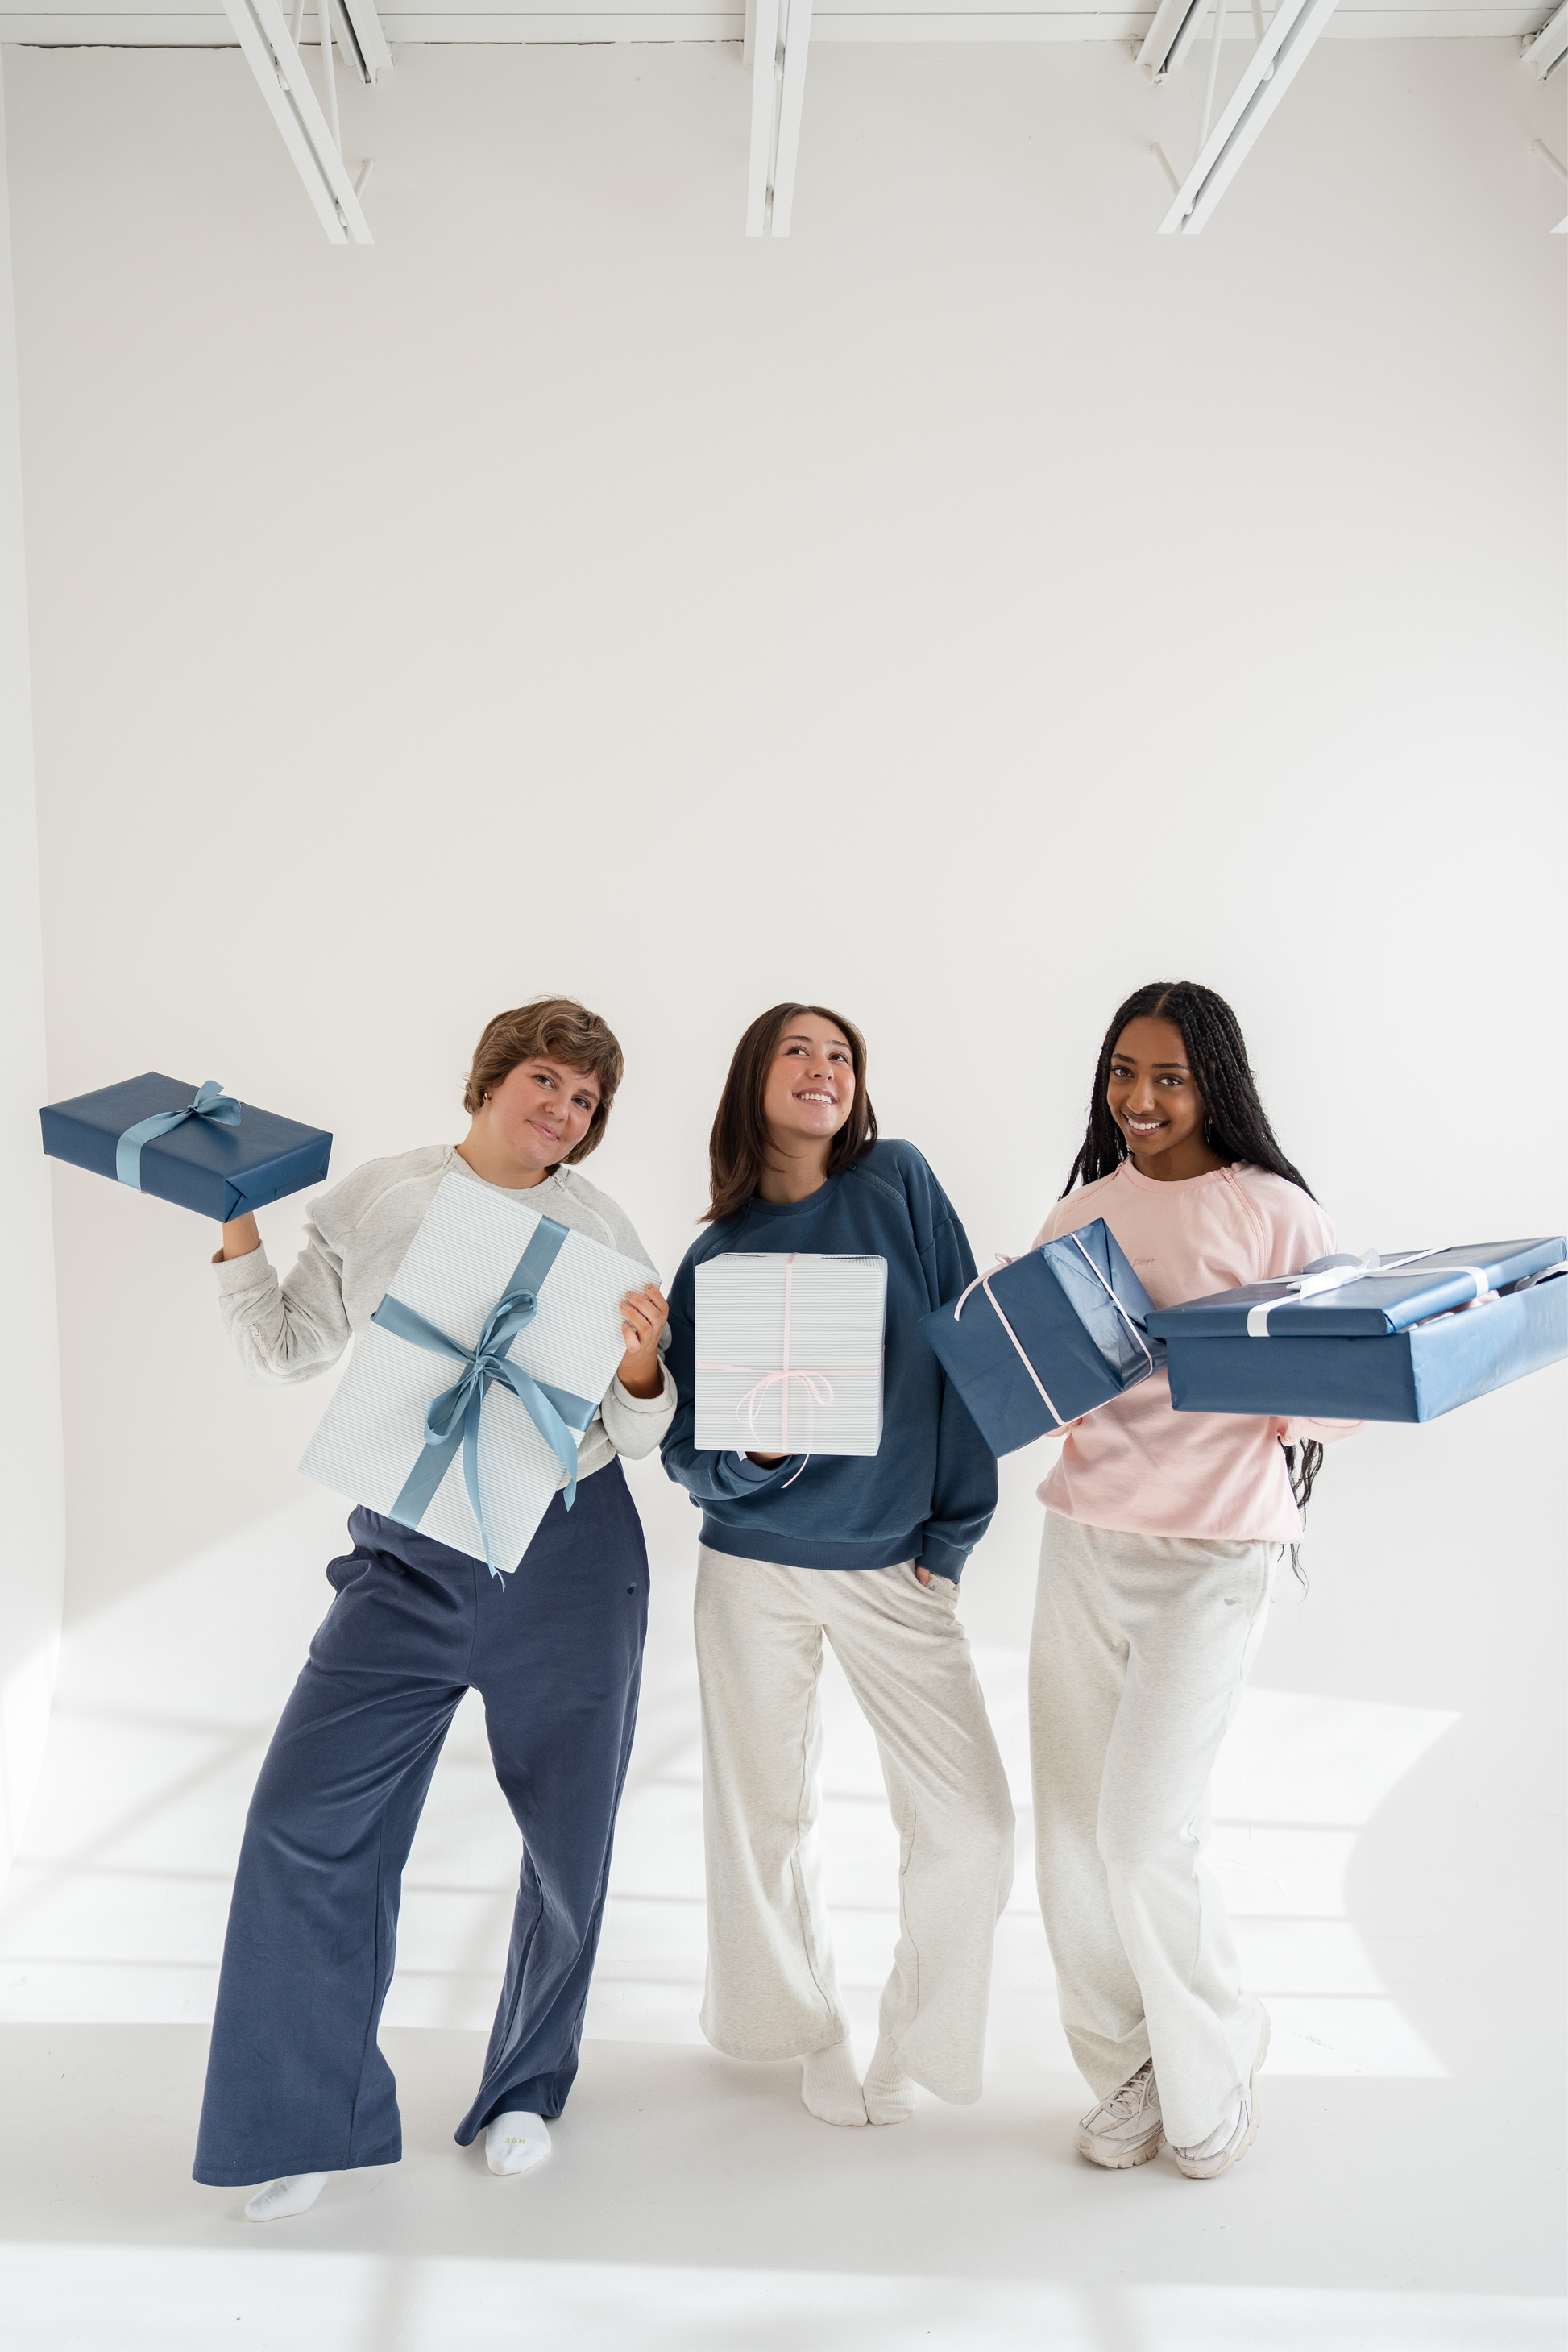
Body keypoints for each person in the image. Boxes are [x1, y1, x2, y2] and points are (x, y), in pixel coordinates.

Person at [193, 998, 674, 2220]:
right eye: (548, 1080)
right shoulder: (382, 1195)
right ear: (492, 1077)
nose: (564, 1111)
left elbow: (638, 1429)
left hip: (572, 1547)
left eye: (586, 1101)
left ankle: (525, 2089)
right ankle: (308, 2118)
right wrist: (233, 1222)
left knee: (568, 1840)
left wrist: (639, 1367)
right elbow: (287, 1350)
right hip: (409, 1551)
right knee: (302, 1821)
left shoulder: (602, 1228)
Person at [661, 1003, 1014, 2130]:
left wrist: (951, 1540)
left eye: (842, 1056)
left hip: (893, 1566)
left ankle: (914, 2036)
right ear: (752, 1079)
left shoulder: (897, 1183)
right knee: (760, 1817)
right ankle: (804, 2026)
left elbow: (967, 1356)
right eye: (797, 1051)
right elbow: (684, 1453)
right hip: (749, 1569)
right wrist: (754, 1459)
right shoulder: (714, 1257)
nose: (824, 1069)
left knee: (971, 1827)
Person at [1028, 980, 1356, 2180]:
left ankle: (1211, 2060)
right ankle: (1136, 2060)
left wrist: (1245, 1372)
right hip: (1082, 1545)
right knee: (1073, 1839)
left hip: (1215, 1553)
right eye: (1125, 1071)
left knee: (1141, 1836)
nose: (1142, 1097)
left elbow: (1332, 1400)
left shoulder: (1275, 1211)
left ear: (1214, 1082)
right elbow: (1045, 1389)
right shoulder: (1079, 1214)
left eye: (1169, 1075)